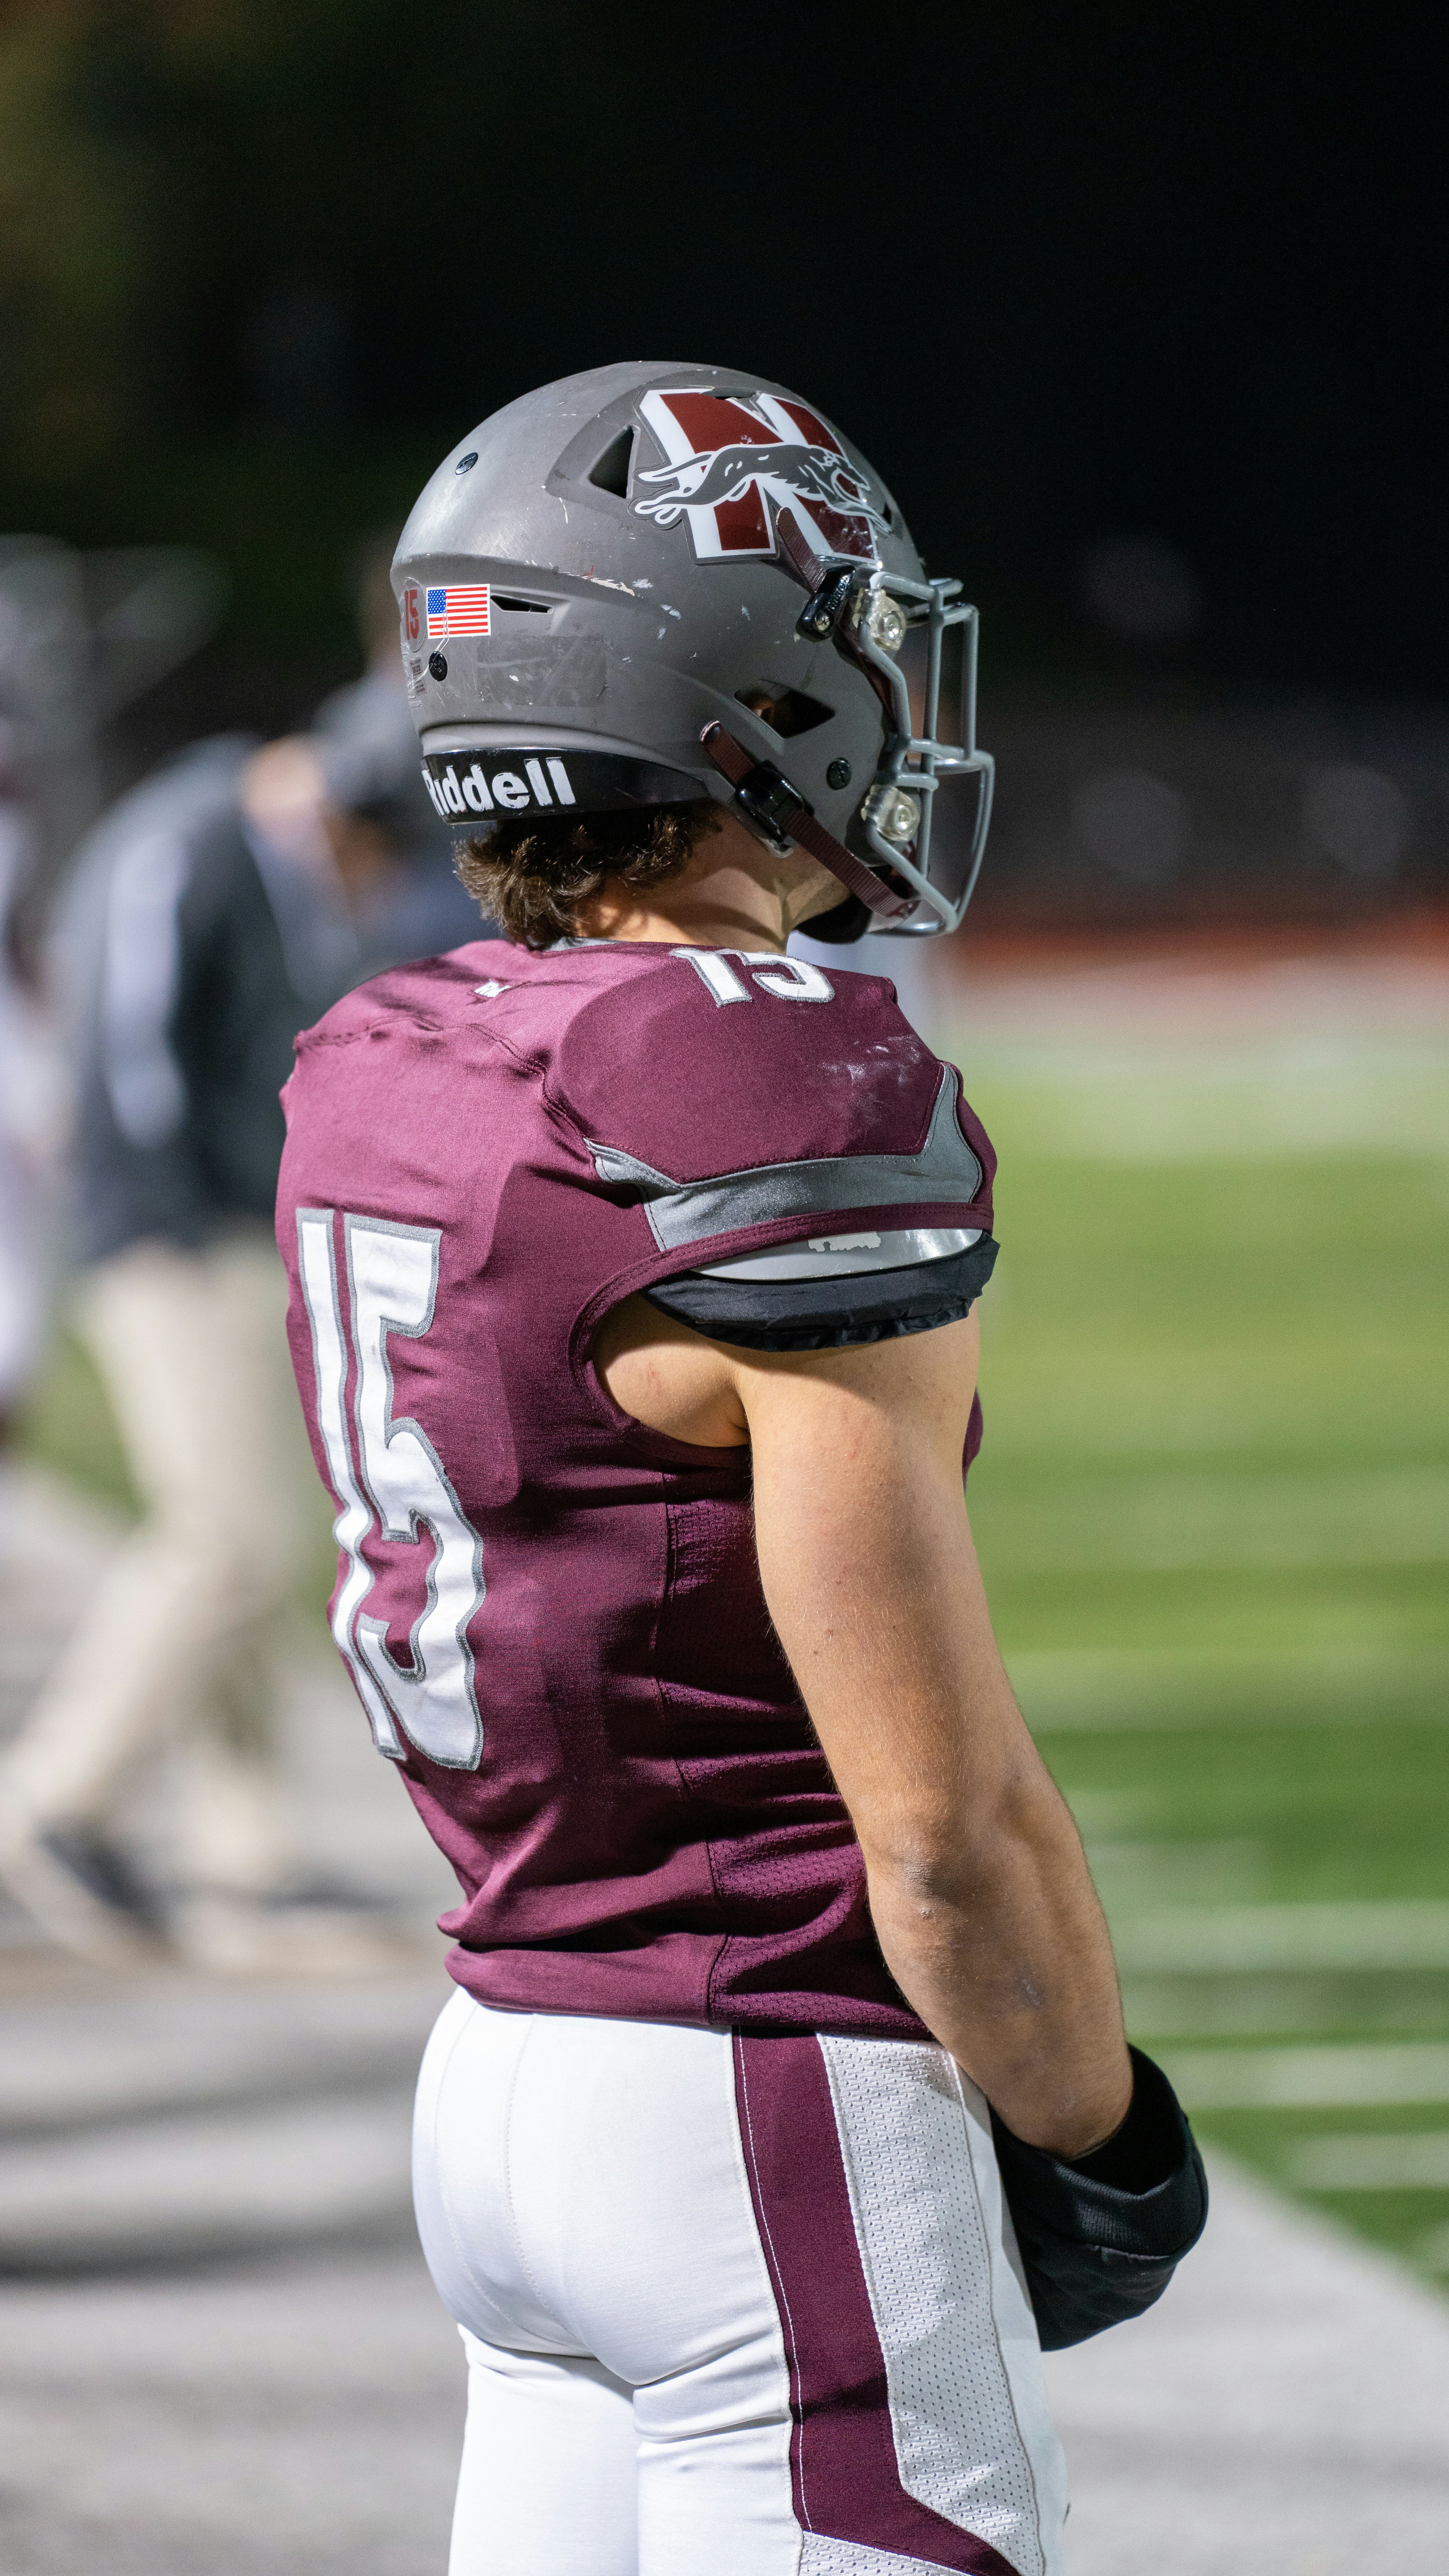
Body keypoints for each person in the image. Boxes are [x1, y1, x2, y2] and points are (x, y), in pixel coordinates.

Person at [276, 364, 1207, 2575]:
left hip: (505, 2069)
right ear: (730, 683)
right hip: (762, 2098)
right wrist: (1099, 2132)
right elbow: (942, 1823)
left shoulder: (390, 1050)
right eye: (844, 635)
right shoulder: (767, 1078)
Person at [0, 680, 479, 1968]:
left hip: (226, 1228)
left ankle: (243, 1850)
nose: (376, 884)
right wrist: (170, 1215)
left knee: (255, 1527)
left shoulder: (270, 859)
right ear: (341, 806)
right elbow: (130, 1051)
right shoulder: (189, 838)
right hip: (167, 1232)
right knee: (226, 1537)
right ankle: (52, 1799)